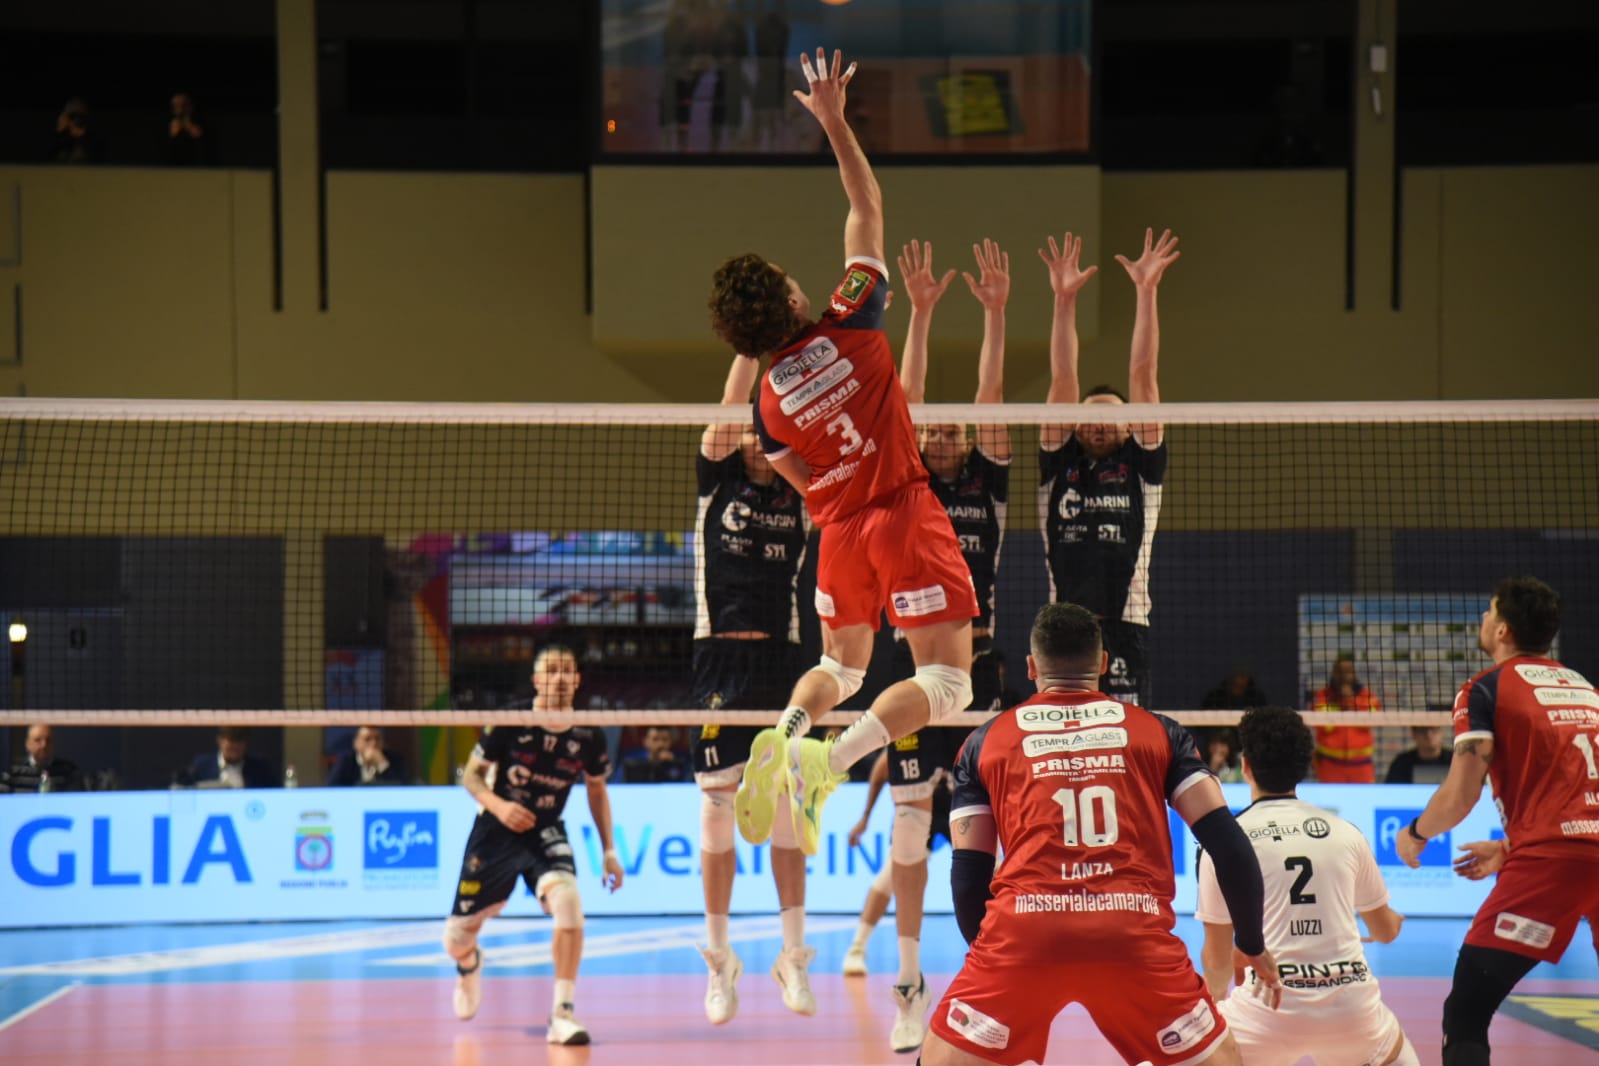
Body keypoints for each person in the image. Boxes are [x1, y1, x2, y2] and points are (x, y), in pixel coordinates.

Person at [708, 49, 979, 862]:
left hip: (838, 533)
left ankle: (790, 729)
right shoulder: (852, 318)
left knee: (842, 665)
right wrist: (832, 119)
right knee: (948, 683)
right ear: (792, 298)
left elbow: (797, 479)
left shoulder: (767, 401)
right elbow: (866, 206)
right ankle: (828, 759)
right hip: (902, 511)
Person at [922, 602, 1281, 1066]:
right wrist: (1250, 942)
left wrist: (992, 960)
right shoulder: (1159, 733)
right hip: (1133, 937)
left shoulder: (984, 742)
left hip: (1025, 935)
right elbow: (1228, 845)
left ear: (1031, 667)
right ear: (1105, 663)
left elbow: (968, 875)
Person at [838, 234, 1011, 1051]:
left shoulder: (988, 482)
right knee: (908, 829)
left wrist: (994, 315)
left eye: (953, 431)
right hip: (918, 671)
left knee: (995, 826)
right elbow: (901, 397)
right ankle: (908, 984)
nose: (941, 436)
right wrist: (919, 314)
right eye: (930, 430)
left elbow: (990, 395)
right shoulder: (906, 483)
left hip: (984, 669)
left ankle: (1002, 964)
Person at [1396, 576, 1599, 1066]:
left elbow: (1461, 794)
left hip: (1553, 864)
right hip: (1574, 852)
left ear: (1503, 629)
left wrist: (1416, 832)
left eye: (1488, 612)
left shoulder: (1485, 689)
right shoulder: (1586, 689)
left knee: (1466, 1011)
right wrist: (1510, 847)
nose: (1483, 620)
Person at [691, 352, 812, 1023]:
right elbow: (725, 410)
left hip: (781, 663)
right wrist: (748, 345)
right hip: (718, 660)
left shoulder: (803, 491)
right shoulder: (717, 479)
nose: (758, 437)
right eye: (752, 427)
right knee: (715, 809)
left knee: (788, 808)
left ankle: (792, 954)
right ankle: (720, 959)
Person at [1197, 706, 1419, 1066]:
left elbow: (1217, 960)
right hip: (1352, 1012)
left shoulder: (1225, 844)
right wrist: (1392, 921)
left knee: (1184, 1053)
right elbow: (1384, 931)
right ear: (1304, 766)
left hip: (1265, 1012)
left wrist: (1210, 1027)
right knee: (1398, 1054)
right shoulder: (1346, 833)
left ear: (1246, 766)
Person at [442, 645, 625, 1046]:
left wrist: (609, 852)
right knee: (455, 940)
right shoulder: (511, 720)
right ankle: (469, 963)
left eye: (567, 670)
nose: (560, 677)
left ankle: (562, 1014)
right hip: (495, 831)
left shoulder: (589, 735)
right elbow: (471, 777)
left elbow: (597, 790)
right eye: (551, 670)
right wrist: (501, 807)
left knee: (569, 904)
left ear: (577, 680)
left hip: (545, 830)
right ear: (537, 680)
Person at [1038, 227, 1178, 710]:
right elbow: (1063, 376)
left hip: (1127, 624)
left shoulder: (1142, 468)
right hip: (1062, 627)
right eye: (1090, 416)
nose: (1100, 423)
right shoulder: (1058, 465)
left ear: (1128, 426)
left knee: (1126, 737)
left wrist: (1147, 290)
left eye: (1112, 416)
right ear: (1075, 426)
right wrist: (1063, 300)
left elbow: (1143, 374)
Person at [1309, 656, 1383, 783]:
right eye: (1339, 671)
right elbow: (1322, 725)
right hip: (1329, 763)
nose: (1343, 676)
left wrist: (1350, 701)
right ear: (1334, 673)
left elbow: (1371, 721)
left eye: (1348, 671)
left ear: (1354, 673)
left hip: (1361, 764)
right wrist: (1341, 702)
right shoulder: (1322, 697)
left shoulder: (1367, 697)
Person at [1, 723, 82, 793]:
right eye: (38, 740)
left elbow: (76, 800)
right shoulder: (13, 772)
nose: (44, 745)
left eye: (48, 740)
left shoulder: (68, 771)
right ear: (28, 744)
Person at [188, 726, 276, 788]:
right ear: (220, 740)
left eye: (239, 740)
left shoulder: (260, 768)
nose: (236, 746)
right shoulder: (202, 766)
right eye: (232, 740)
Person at [326, 726, 405, 786]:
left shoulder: (394, 759)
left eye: (377, 739)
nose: (373, 743)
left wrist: (382, 765)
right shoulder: (346, 761)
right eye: (367, 739)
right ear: (356, 743)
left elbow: (402, 787)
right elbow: (331, 787)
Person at [1383, 725, 1453, 785]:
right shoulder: (1402, 763)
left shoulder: (1454, 761)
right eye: (1423, 730)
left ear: (1441, 732)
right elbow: (1392, 791)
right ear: (1413, 734)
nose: (1429, 735)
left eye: (1434, 729)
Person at [1202, 667, 1270, 712]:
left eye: (1243, 676)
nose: (1239, 681)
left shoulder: (1257, 699)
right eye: (1237, 675)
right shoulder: (1214, 698)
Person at [166, 91, 207, 166]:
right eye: (176, 105)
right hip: (171, 167)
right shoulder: (169, 123)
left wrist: (187, 125)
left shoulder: (201, 121)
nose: (180, 109)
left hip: (197, 167)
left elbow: (200, 139)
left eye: (183, 105)